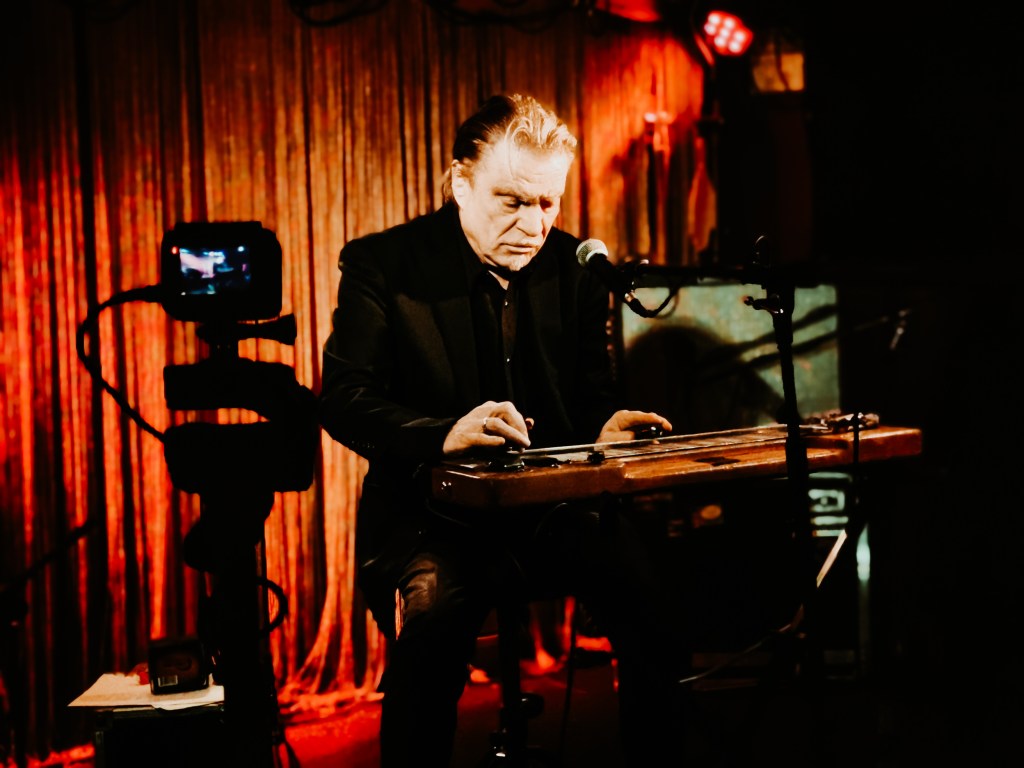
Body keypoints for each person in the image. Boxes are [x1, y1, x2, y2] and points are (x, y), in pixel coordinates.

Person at [320, 93, 689, 766]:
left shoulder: (576, 270)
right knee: (431, 633)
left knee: (657, 611)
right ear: (460, 182)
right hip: (430, 517)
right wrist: (442, 433)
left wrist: (603, 430)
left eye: (548, 202)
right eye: (512, 201)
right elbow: (344, 400)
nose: (534, 224)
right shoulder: (383, 265)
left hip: (552, 512)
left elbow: (590, 397)